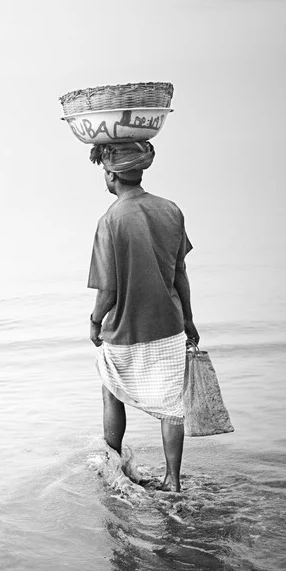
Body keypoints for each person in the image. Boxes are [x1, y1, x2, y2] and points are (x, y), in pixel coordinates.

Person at [86, 140, 199, 493]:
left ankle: (113, 463)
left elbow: (109, 289)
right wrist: (189, 319)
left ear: (111, 175)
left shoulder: (110, 220)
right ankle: (173, 481)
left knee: (111, 390)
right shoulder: (171, 210)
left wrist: (94, 321)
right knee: (171, 407)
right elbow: (179, 271)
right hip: (168, 324)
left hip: (125, 328)